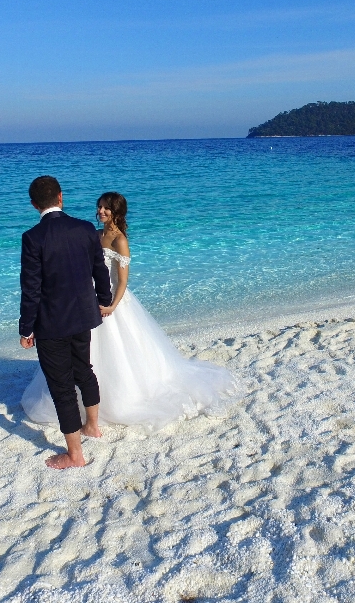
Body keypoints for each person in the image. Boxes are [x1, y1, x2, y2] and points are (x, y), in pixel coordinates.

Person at [22, 192, 236, 429]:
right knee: (86, 353)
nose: (101, 211)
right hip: (86, 299)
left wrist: (112, 304)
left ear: (117, 212)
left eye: (107, 208)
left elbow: (122, 280)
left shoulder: (119, 240)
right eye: (100, 207)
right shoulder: (94, 234)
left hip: (112, 300)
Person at [19, 176, 112, 470]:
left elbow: (31, 288)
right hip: (83, 315)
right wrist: (104, 299)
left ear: (34, 205)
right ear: (61, 197)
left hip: (52, 322)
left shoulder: (33, 238)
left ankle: (74, 455)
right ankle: (92, 427)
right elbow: (100, 270)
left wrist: (26, 328)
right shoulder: (85, 229)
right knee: (84, 369)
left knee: (61, 387)